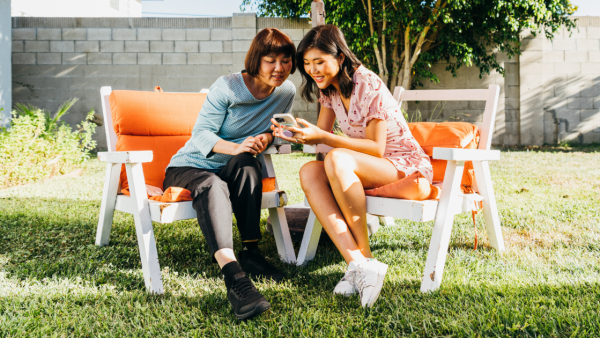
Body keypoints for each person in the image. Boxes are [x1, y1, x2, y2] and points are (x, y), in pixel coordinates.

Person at [271, 25, 433, 308]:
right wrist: (297, 134)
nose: (313, 70)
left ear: (340, 58)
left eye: (319, 62)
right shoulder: (329, 91)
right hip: (363, 166)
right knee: (308, 170)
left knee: (337, 158)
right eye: (307, 64)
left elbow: (376, 149)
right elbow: (321, 143)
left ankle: (365, 259)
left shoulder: (367, 83)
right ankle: (358, 264)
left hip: (402, 165)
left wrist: (324, 138)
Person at [163, 28, 296, 320]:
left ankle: (252, 253)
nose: (279, 68)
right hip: (190, 166)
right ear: (256, 59)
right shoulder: (226, 87)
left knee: (251, 166)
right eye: (271, 60)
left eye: (286, 61)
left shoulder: (287, 91)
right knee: (213, 183)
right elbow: (200, 135)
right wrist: (236, 148)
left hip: (232, 166)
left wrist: (267, 138)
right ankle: (235, 277)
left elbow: (273, 128)